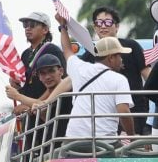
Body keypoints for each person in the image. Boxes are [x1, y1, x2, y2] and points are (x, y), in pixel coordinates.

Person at [55, 11, 134, 140]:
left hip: (72, 141)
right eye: (119, 55)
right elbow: (124, 112)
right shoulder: (119, 79)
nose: (121, 60)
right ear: (111, 58)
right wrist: (132, 136)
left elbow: (67, 51)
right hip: (104, 144)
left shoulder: (80, 68)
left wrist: (63, 27)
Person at [89, 6, 149, 132]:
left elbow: (148, 75)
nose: (103, 26)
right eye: (99, 23)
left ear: (116, 26)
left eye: (108, 22)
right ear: (94, 27)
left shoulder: (131, 46)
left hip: (134, 110)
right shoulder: (91, 52)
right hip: (104, 115)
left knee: (131, 147)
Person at [15, 11, 63, 99]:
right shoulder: (26, 54)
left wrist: (36, 104)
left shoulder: (52, 50)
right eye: (25, 25)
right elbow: (26, 88)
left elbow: (61, 84)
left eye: (32, 25)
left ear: (45, 29)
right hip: (33, 110)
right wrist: (16, 85)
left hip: (51, 109)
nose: (27, 28)